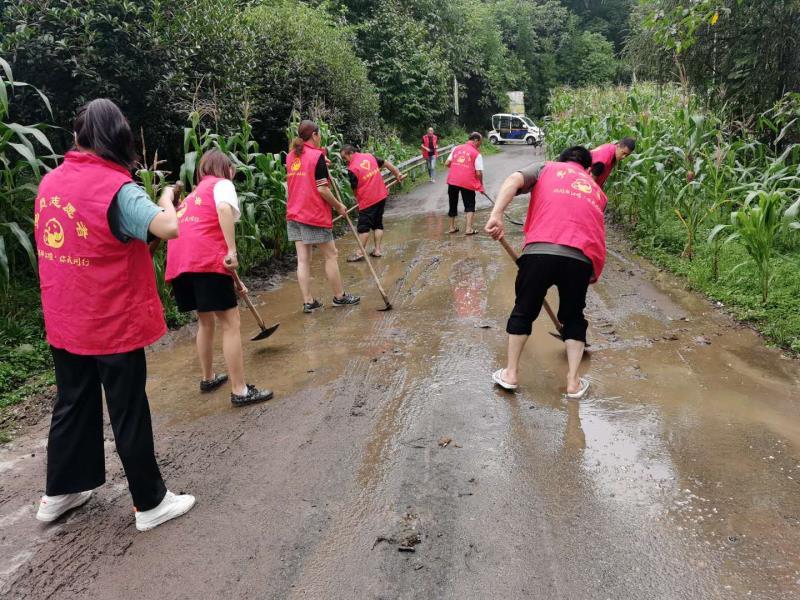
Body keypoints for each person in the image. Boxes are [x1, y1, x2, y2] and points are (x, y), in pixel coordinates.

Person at [33, 98, 195, 531]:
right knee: (128, 410)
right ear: (118, 137)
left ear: (78, 137)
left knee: (72, 401)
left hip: (66, 317)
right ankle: (151, 502)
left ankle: (60, 491)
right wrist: (164, 196)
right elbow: (167, 227)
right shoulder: (117, 189)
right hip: (109, 320)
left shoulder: (50, 183)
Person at [485, 146, 608, 399]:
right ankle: (573, 383)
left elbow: (513, 180)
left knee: (524, 310)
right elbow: (593, 230)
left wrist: (497, 214)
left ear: (560, 160)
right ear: (587, 169)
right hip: (580, 258)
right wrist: (591, 273)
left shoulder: (546, 168)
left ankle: (511, 374)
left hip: (539, 250)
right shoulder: (597, 191)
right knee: (574, 317)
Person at [166, 150, 273, 407]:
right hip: (204, 261)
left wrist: (233, 275)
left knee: (205, 321)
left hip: (181, 264)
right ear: (226, 168)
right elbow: (224, 210)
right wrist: (232, 251)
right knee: (230, 322)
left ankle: (208, 377)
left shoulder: (193, 196)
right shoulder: (222, 184)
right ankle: (240, 390)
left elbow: (201, 232)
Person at [286, 119, 360, 313]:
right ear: (315, 135)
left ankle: (308, 301)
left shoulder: (292, 155)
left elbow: (305, 170)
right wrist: (339, 206)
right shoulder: (315, 157)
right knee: (331, 254)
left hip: (294, 213)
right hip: (312, 214)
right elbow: (322, 189)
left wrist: (322, 162)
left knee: (302, 259)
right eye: (319, 135)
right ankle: (339, 297)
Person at [341, 145, 405, 261]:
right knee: (377, 224)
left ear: (350, 153)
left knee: (363, 227)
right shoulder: (369, 156)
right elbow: (386, 163)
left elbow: (355, 190)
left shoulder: (352, 169)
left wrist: (359, 201)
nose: (345, 161)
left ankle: (360, 252)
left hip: (368, 200)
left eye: (345, 158)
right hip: (381, 195)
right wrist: (397, 174)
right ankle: (377, 250)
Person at [445, 132, 484, 235]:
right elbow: (479, 173)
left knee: (452, 202)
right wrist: (481, 185)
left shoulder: (456, 148)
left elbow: (447, 163)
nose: (480, 144)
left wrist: (458, 168)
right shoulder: (476, 153)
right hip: (467, 182)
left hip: (453, 180)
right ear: (476, 140)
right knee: (470, 204)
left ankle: (452, 227)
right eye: (480, 142)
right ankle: (468, 229)